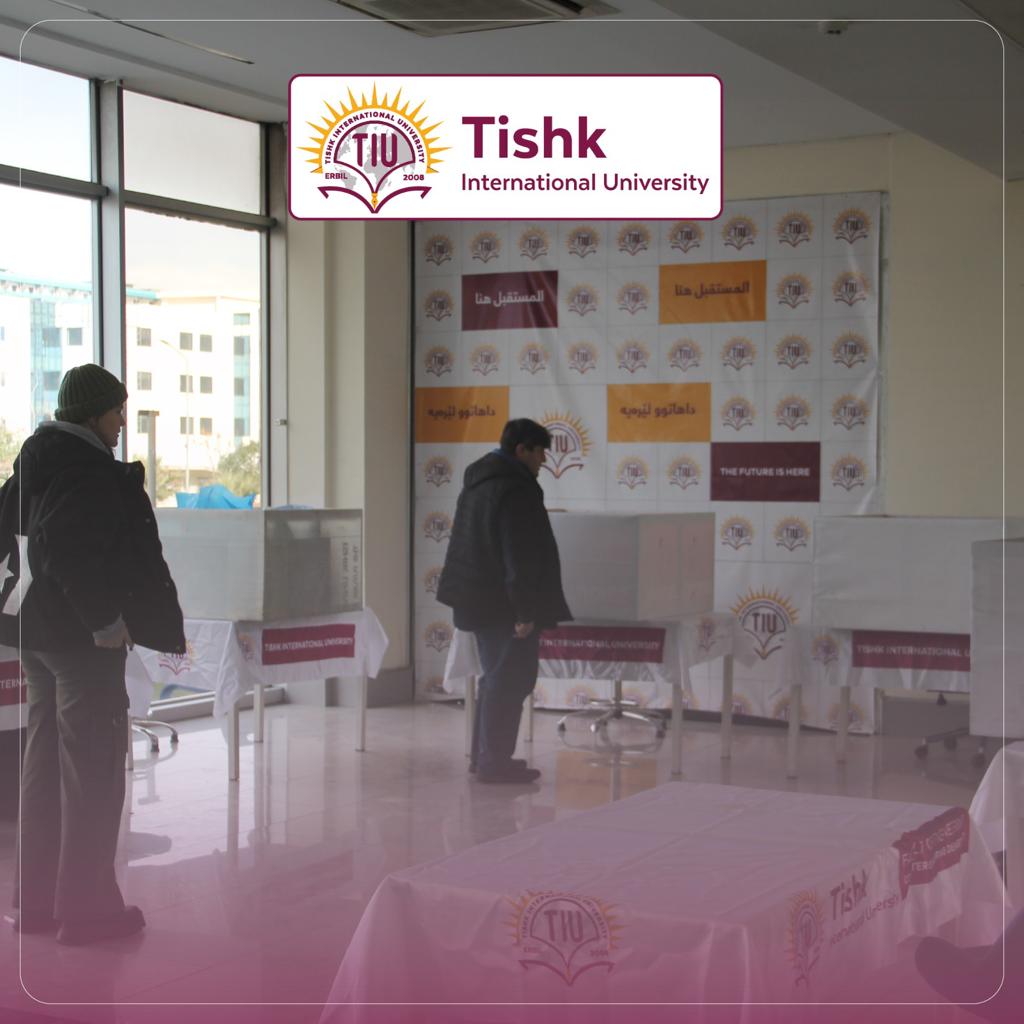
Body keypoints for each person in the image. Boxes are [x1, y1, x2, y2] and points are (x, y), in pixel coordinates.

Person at [0, 364, 185, 945]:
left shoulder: (31, 464)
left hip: (35, 636)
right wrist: (104, 621)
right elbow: (67, 551)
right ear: (93, 413)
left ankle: (36, 903)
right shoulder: (88, 469)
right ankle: (87, 912)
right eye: (117, 410)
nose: (122, 421)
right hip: (82, 642)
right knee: (94, 772)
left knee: (44, 765)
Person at [437, 418, 571, 784]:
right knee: (509, 680)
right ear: (521, 450)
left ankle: (484, 757)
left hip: (478, 598)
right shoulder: (515, 488)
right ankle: (494, 762)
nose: (543, 460)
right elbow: (519, 556)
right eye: (539, 452)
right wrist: (525, 612)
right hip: (502, 604)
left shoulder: (480, 481)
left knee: (496, 679)